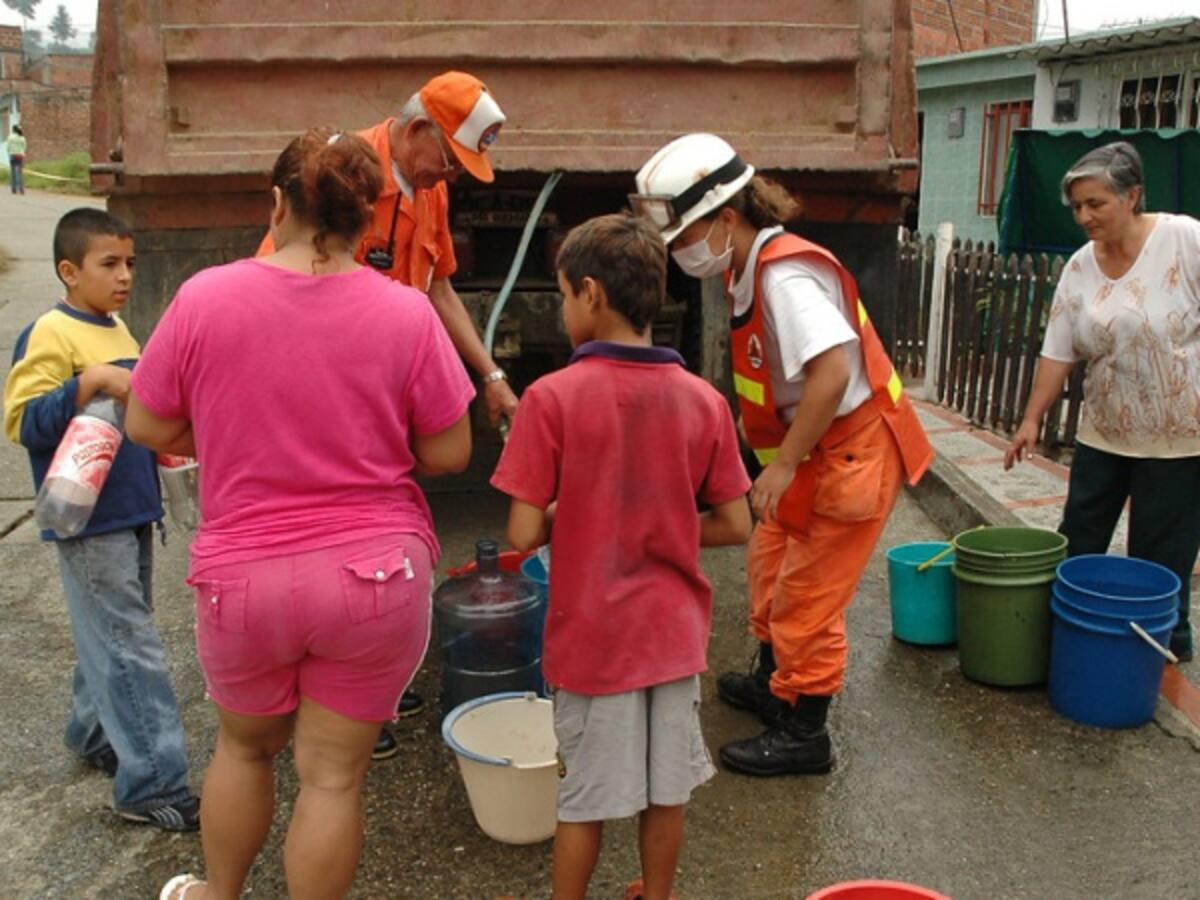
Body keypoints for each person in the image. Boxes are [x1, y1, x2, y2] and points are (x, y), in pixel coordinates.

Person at [129, 128, 474, 900]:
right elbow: (451, 450)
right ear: (367, 219)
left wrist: (228, 430)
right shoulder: (407, 314)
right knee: (330, 778)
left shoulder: (204, 297)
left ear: (277, 203)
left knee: (244, 752)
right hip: (374, 576)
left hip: (244, 577)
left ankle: (218, 895)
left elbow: (148, 426)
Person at [631, 133, 934, 777]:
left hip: (846, 452)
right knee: (770, 568)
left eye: (686, 236)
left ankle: (805, 732)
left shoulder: (786, 276)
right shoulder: (750, 268)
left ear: (728, 219)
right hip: (816, 450)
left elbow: (829, 372)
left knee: (809, 598)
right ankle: (777, 682)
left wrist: (785, 463)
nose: (681, 252)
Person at [492, 213, 752, 900]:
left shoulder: (550, 400)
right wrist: (658, 523)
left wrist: (573, 516)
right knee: (666, 788)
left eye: (561, 295)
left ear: (589, 293)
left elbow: (521, 536)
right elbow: (735, 521)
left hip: (592, 640)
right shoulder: (703, 401)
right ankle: (657, 894)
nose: (563, 308)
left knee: (584, 798)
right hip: (671, 636)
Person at [257, 70, 515, 756]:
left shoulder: (424, 194)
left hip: (382, 393)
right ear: (419, 130)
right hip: (330, 395)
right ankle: (337, 701)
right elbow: (277, 281)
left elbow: (439, 289)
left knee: (380, 535)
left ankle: (368, 680)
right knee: (336, 537)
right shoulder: (336, 177)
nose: (451, 179)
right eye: (451, 162)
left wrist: (488, 374)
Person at [3, 208, 198, 830]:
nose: (124, 277)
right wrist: (86, 383)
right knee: (128, 644)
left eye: (130, 264)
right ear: (68, 271)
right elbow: (22, 421)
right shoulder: (50, 334)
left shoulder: (119, 331)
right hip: (89, 520)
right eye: (108, 264)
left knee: (111, 633)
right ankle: (152, 783)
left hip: (131, 510)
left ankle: (93, 734)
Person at [1005, 141, 1199, 661]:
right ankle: (1071, 639)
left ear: (1132, 195)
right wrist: (1030, 420)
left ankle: (1160, 653)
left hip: (1180, 438)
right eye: (1077, 207)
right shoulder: (1080, 266)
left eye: (1096, 204)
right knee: (1079, 539)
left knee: (1160, 557)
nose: (1084, 216)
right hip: (1105, 430)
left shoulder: (1184, 240)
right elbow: (1059, 349)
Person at [7, 124, 26, 194]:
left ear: (13, 130)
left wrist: (10, 152)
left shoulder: (10, 137)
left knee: (13, 173)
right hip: (20, 156)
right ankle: (21, 189)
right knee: (20, 173)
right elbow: (24, 147)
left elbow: (8, 147)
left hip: (13, 155)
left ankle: (14, 189)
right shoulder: (22, 138)